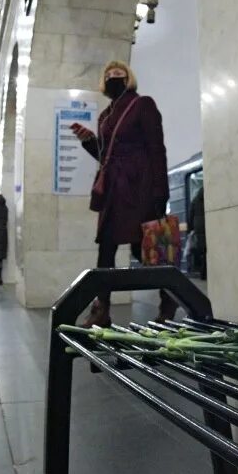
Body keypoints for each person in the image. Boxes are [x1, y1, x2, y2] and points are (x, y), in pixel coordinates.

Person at [70, 60, 174, 327]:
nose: (114, 76)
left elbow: (157, 149)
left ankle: (169, 298)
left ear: (129, 78)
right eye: (109, 74)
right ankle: (101, 309)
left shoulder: (142, 104)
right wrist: (88, 142)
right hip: (113, 191)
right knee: (106, 248)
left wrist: (160, 192)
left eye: (119, 73)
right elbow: (105, 156)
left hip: (138, 187)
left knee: (145, 250)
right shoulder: (105, 115)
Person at [188, 186, 206, 279]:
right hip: (207, 226)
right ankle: (205, 273)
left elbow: (190, 215)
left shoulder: (195, 200)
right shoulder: (209, 199)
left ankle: (202, 273)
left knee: (202, 251)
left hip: (198, 227)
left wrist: (191, 229)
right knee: (208, 251)